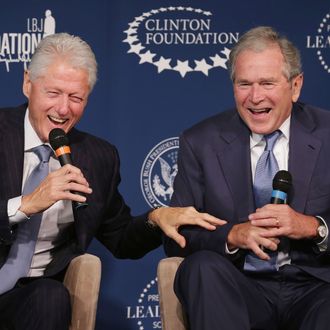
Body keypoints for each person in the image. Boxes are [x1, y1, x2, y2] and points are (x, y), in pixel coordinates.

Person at [0, 32, 225, 330]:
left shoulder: (96, 157)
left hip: (29, 299)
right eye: (53, 93)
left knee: (50, 296)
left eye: (76, 98)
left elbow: (120, 239)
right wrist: (26, 204)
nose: (64, 109)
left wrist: (156, 218)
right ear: (28, 83)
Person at [164, 26, 330, 330]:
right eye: (244, 84)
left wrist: (313, 227)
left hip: (317, 287)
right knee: (201, 267)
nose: (255, 97)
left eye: (267, 83)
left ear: (295, 86)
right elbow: (177, 237)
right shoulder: (201, 142)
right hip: (240, 285)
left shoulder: (327, 133)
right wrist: (231, 235)